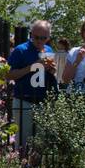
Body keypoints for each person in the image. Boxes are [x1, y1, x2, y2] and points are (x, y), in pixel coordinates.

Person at [7, 21, 57, 149]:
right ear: (31, 34)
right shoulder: (20, 50)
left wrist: (52, 70)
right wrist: (33, 66)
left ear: (48, 37)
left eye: (44, 38)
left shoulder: (49, 50)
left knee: (41, 143)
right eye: (36, 37)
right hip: (24, 100)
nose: (40, 41)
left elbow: (50, 76)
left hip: (43, 101)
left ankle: (36, 167)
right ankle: (22, 167)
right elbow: (8, 75)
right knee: (24, 142)